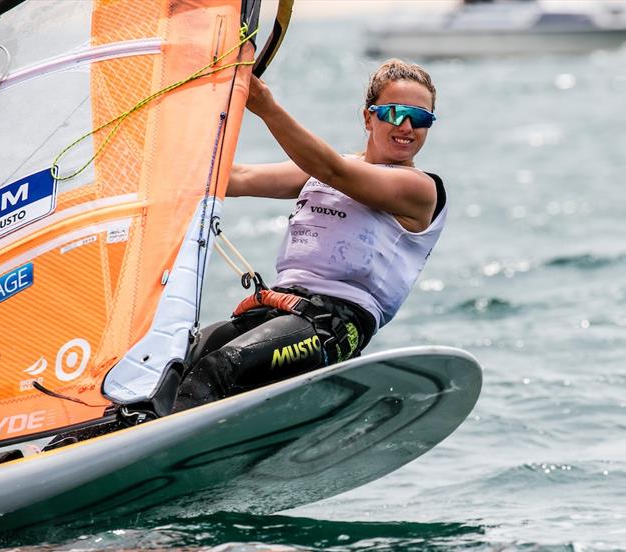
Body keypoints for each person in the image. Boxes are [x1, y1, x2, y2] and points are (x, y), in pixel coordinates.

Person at [169, 58, 448, 414]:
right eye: (394, 113)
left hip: (333, 326)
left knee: (220, 368)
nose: (407, 126)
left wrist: (266, 108)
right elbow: (236, 178)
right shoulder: (324, 171)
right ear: (369, 117)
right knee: (172, 364)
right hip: (277, 311)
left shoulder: (421, 189)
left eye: (420, 119)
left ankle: (152, 459)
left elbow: (333, 169)